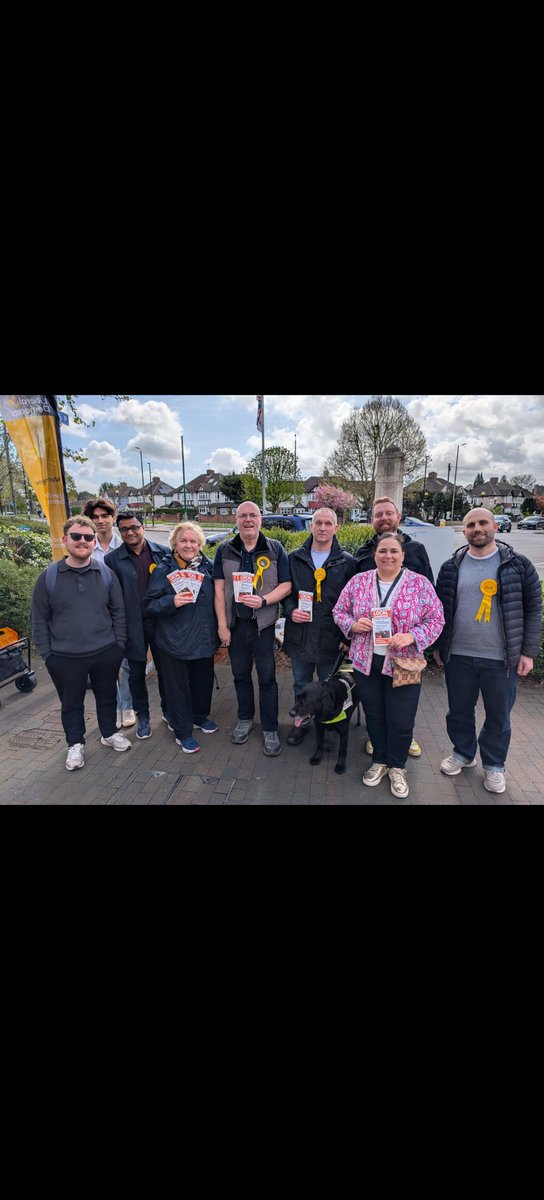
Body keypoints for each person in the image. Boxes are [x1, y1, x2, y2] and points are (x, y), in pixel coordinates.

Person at [434, 507, 542, 795]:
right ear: (464, 530)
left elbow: (533, 609)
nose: (477, 528)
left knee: (498, 715)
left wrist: (528, 652)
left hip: (501, 659)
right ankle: (463, 753)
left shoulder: (518, 565)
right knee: (458, 711)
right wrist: (439, 648)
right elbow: (440, 611)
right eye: (470, 524)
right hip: (458, 656)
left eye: (482, 522)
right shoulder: (451, 567)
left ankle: (494, 765)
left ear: (495, 526)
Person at [333, 532, 444, 798]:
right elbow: (339, 611)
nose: (388, 556)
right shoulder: (359, 582)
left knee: (401, 719)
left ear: (403, 555)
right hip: (366, 661)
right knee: (374, 715)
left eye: (394, 551)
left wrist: (413, 636)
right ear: (375, 554)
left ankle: (397, 767)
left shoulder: (420, 584)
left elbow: (437, 619)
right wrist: (352, 624)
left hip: (404, 663)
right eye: (383, 551)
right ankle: (380, 761)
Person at [31, 515, 131, 771]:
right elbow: (39, 620)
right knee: (71, 703)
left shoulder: (105, 574)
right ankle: (75, 744)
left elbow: (119, 612)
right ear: (65, 540)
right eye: (76, 536)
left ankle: (108, 733)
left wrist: (118, 646)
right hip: (64, 657)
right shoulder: (48, 577)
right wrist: (48, 656)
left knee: (107, 696)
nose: (83, 541)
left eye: (88, 537)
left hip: (105, 652)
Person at [352, 495, 434, 759]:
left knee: (401, 708)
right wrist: (351, 628)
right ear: (372, 520)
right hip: (369, 649)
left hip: (403, 651)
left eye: (389, 513)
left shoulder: (417, 550)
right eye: (379, 514)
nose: (384, 518)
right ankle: (378, 740)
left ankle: (403, 738)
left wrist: (416, 637)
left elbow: (432, 605)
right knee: (374, 704)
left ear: (399, 517)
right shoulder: (363, 552)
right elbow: (348, 601)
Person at [213, 502, 291, 756]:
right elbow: (218, 590)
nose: (248, 520)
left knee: (267, 679)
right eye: (243, 516)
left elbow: (286, 584)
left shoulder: (275, 548)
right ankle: (245, 719)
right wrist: (223, 626)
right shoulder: (225, 549)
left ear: (261, 519)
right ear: (236, 520)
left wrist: (265, 600)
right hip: (236, 627)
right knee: (240, 676)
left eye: (253, 515)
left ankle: (270, 727)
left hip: (264, 626)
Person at [144, 522, 219, 754]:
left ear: (200, 545)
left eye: (193, 541)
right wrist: (171, 602)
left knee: (202, 684)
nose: (189, 545)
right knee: (178, 690)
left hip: (203, 640)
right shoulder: (163, 570)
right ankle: (182, 731)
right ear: (174, 544)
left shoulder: (209, 568)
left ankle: (199, 716)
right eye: (184, 541)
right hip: (174, 642)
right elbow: (149, 605)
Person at [283, 508, 355, 745]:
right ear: (311, 526)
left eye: (328, 523)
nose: (323, 528)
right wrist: (291, 609)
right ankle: (301, 724)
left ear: (336, 528)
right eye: (318, 523)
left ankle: (326, 727)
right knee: (300, 684)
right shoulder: (294, 558)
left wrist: (348, 636)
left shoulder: (347, 562)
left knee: (328, 689)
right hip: (301, 634)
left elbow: (353, 601)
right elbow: (286, 591)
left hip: (331, 638)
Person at [105, 512, 167, 740]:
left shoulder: (163, 553)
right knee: (136, 675)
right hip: (132, 626)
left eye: (134, 527)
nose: (130, 532)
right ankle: (143, 717)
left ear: (143, 527)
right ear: (119, 532)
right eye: (124, 529)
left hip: (161, 624)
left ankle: (168, 711)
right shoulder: (113, 560)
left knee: (166, 671)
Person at [83, 496, 135, 729]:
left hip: (123, 613)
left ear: (113, 518)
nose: (100, 521)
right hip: (95, 616)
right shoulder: (85, 547)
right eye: (95, 517)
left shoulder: (126, 546)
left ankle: (127, 706)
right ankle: (113, 706)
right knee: (104, 665)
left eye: (105, 516)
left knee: (126, 663)